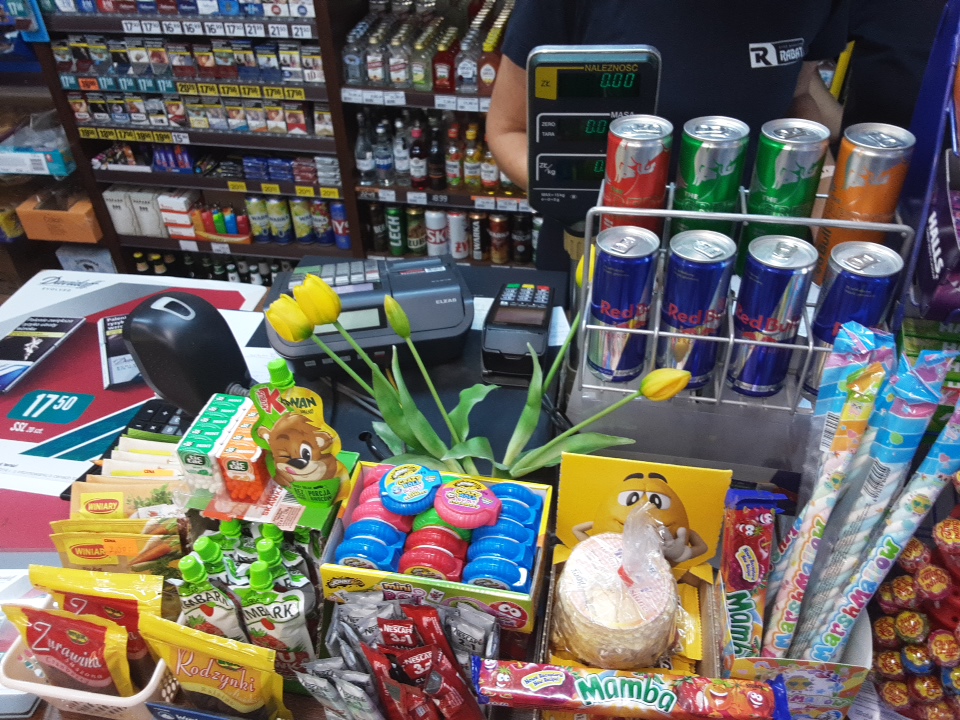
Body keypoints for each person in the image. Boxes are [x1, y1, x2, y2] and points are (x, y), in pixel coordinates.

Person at [487, 0, 849, 194]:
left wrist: (821, 206)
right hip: (595, 242)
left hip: (750, 244)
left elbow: (799, 95)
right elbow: (508, 130)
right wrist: (602, 205)